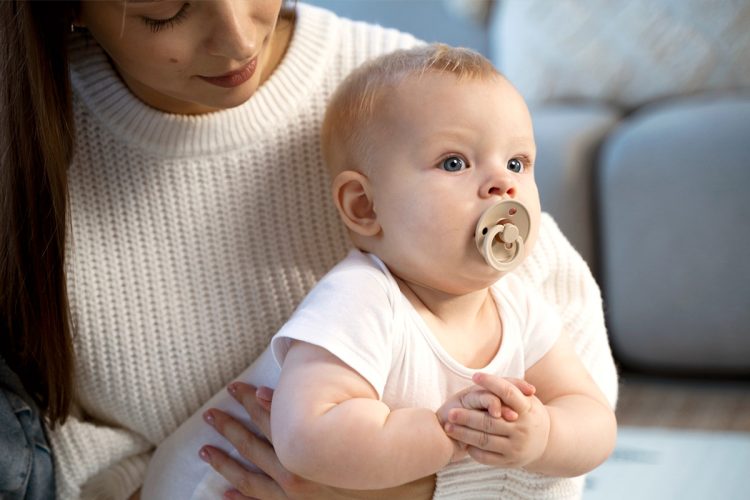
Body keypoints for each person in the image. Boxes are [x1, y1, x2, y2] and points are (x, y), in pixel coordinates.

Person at [0, 1, 619, 499]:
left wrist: (520, 446)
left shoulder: (421, 92)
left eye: (519, 163)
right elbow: (308, 433)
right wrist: (447, 435)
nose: (239, 39)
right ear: (362, 207)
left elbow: (585, 422)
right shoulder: (361, 297)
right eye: (167, 12)